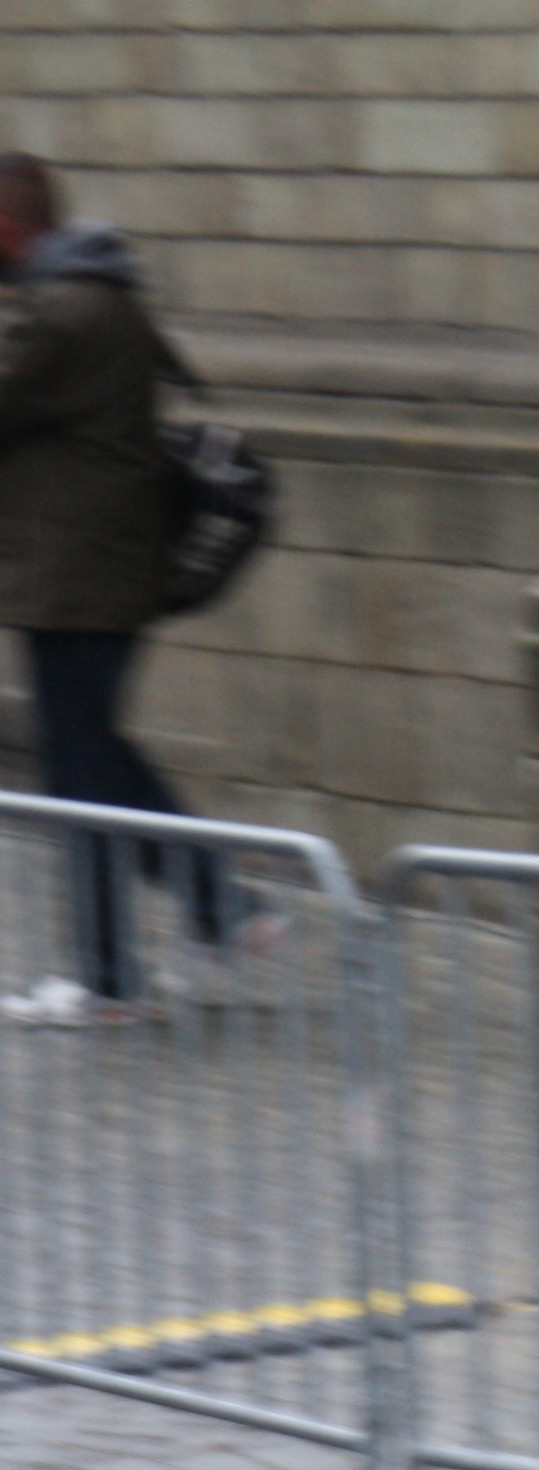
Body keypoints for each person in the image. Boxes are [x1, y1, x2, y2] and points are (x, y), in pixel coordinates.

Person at [0, 153, 235, 1027]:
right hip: (90, 568)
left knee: (81, 773)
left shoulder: (60, 312)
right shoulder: (96, 294)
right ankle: (224, 908)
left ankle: (110, 979)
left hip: (77, 576)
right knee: (94, 756)